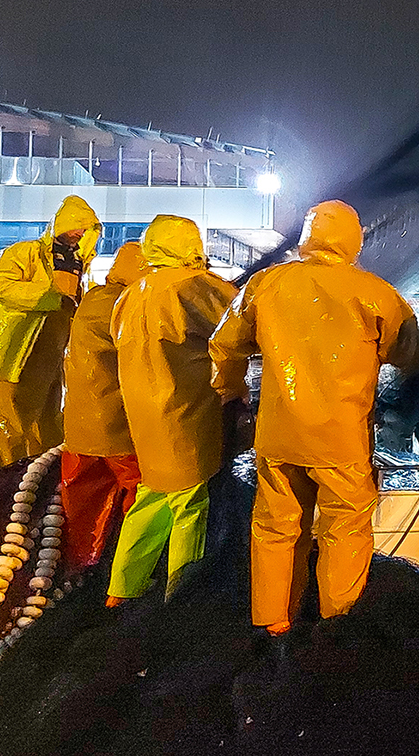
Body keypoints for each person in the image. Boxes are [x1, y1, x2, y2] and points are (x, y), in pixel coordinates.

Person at [210, 200, 419, 636]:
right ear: (354, 240)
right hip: (342, 440)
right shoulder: (377, 294)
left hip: (278, 437)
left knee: (275, 528)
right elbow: (412, 354)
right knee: (344, 530)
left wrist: (229, 393)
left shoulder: (265, 284)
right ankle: (336, 629)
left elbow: (225, 346)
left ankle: (273, 624)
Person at [106, 216, 239, 606]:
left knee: (151, 497)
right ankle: (181, 597)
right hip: (184, 407)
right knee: (189, 503)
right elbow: (241, 323)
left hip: (143, 413)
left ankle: (121, 589)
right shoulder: (194, 285)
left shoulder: (131, 294)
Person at [0, 196, 101, 466]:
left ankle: (43, 471)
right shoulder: (25, 253)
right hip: (18, 347)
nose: (80, 233)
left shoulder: (80, 263)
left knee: (47, 412)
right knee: (9, 412)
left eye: (85, 229)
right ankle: (8, 474)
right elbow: (2, 286)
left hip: (53, 348)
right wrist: (52, 299)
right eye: (77, 226)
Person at [59, 241, 146, 574]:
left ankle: (81, 568)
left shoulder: (94, 298)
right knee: (140, 496)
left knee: (83, 506)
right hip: (117, 426)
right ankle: (126, 574)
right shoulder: (127, 303)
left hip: (80, 429)